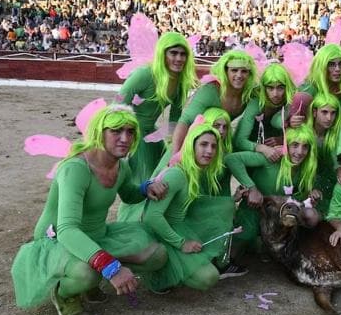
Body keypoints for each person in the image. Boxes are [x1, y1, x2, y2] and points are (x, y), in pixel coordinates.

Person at [11, 105, 169, 315]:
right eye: (115, 131)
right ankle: (65, 294)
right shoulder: (76, 168)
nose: (125, 138)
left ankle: (95, 270)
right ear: (99, 132)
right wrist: (111, 267)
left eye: (130, 131)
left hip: (97, 234)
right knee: (88, 274)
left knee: (157, 255)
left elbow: (129, 194)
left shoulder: (121, 166)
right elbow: (67, 229)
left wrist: (146, 188)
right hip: (59, 240)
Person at [117, 32, 198, 221]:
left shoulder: (181, 82)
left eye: (183, 54)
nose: (178, 58)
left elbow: (177, 119)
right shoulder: (145, 74)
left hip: (152, 135)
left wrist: (175, 145)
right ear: (163, 53)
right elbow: (118, 104)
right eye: (173, 53)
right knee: (143, 181)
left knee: (160, 176)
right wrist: (126, 137)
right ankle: (130, 222)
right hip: (134, 133)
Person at [142, 122, 226, 291]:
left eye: (213, 146)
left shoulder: (196, 171)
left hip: (180, 226)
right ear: (191, 145)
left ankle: (175, 266)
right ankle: (157, 273)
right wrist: (181, 244)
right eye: (203, 144)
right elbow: (150, 217)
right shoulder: (177, 174)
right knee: (208, 277)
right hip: (160, 233)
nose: (209, 151)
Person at [224, 125, 320, 258]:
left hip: (279, 212)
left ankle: (277, 245)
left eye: (305, 146)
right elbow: (231, 159)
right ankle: (226, 261)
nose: (299, 151)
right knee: (246, 235)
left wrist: (311, 194)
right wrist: (252, 187)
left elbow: (296, 195)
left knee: (312, 216)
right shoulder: (274, 157)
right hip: (255, 207)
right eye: (295, 145)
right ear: (286, 145)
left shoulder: (306, 167)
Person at [170, 50, 258, 156]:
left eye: (244, 71)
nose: (239, 75)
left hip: (217, 146)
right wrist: (175, 154)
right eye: (234, 70)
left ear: (249, 74)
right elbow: (185, 121)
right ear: (225, 72)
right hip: (189, 143)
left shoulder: (250, 93)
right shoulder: (210, 90)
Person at [233, 63, 296, 161]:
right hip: (251, 154)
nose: (275, 94)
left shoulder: (292, 101)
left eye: (280, 88)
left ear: (286, 87)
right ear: (264, 88)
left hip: (282, 155)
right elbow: (239, 141)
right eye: (270, 88)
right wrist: (262, 148)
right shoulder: (256, 103)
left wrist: (283, 139)